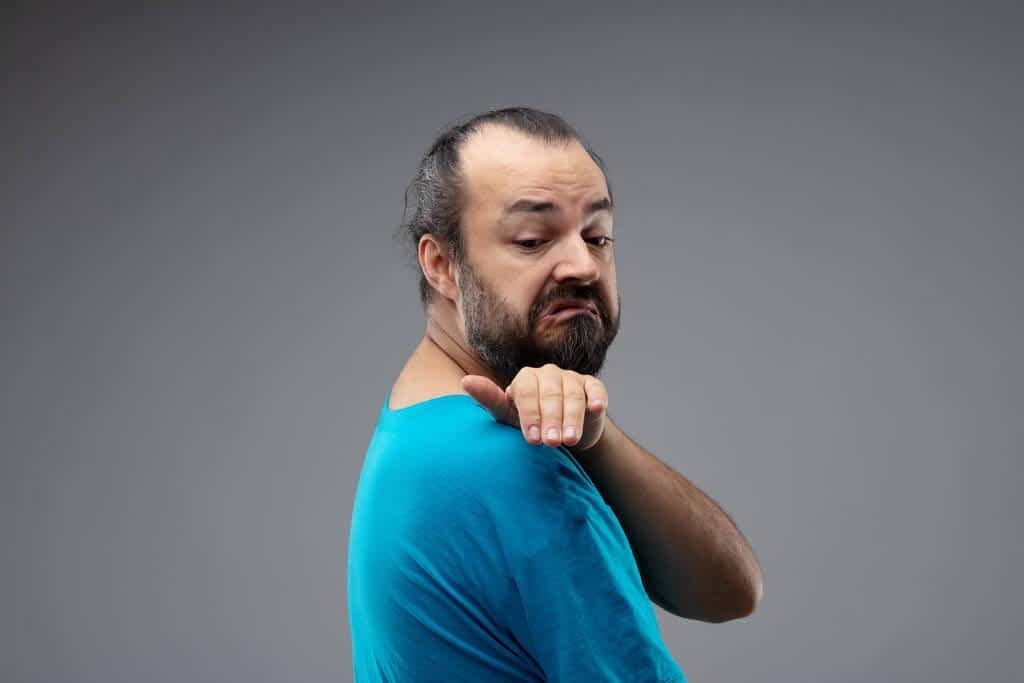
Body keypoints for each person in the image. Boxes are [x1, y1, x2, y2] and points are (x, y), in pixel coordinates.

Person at [348, 107, 763, 681]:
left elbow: (731, 593)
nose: (582, 264)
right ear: (441, 264)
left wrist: (595, 434)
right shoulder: (518, 472)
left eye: (598, 236)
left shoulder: (416, 418)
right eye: (532, 239)